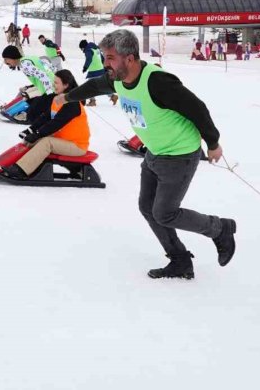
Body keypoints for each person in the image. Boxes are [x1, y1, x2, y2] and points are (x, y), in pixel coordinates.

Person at [54, 29, 236, 280]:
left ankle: (220, 228)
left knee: (165, 212)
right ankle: (179, 260)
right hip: (154, 153)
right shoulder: (116, 78)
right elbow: (95, 86)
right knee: (147, 207)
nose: (106, 64)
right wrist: (68, 97)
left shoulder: (159, 82)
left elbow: (197, 108)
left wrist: (213, 143)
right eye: (104, 57)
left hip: (179, 155)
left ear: (129, 59)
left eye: (110, 58)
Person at [1, 70, 91, 179]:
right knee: (29, 141)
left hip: (77, 145)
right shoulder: (57, 99)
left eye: (56, 83)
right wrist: (30, 130)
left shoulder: (73, 104)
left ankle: (20, 170)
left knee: (46, 142)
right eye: (54, 82)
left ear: (66, 85)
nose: (53, 85)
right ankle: (8, 164)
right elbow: (46, 117)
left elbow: (56, 123)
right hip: (63, 141)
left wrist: (37, 134)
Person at [79, 39, 118, 106]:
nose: (82, 51)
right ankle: (113, 96)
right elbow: (102, 58)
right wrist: (104, 67)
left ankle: (92, 101)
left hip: (94, 71)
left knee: (90, 86)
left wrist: (85, 67)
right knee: (101, 86)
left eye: (82, 49)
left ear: (83, 47)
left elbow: (89, 59)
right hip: (100, 69)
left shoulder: (88, 50)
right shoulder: (96, 49)